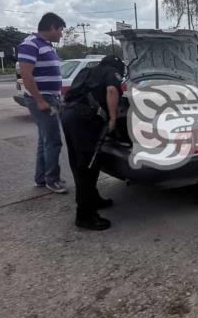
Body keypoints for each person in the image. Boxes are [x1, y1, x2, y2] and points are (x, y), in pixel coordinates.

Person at [61, 54, 124, 231]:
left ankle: (93, 199)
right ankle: (85, 215)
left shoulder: (87, 71)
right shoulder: (112, 72)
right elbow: (112, 91)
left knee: (79, 162)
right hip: (84, 118)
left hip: (68, 115)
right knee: (87, 165)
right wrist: (112, 118)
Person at [17, 12, 68, 194]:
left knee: (44, 141)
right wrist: (39, 100)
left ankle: (41, 177)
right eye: (61, 30)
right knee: (53, 142)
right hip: (43, 98)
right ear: (53, 27)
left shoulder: (47, 46)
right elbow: (26, 75)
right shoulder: (30, 44)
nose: (61, 34)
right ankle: (52, 180)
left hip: (51, 97)